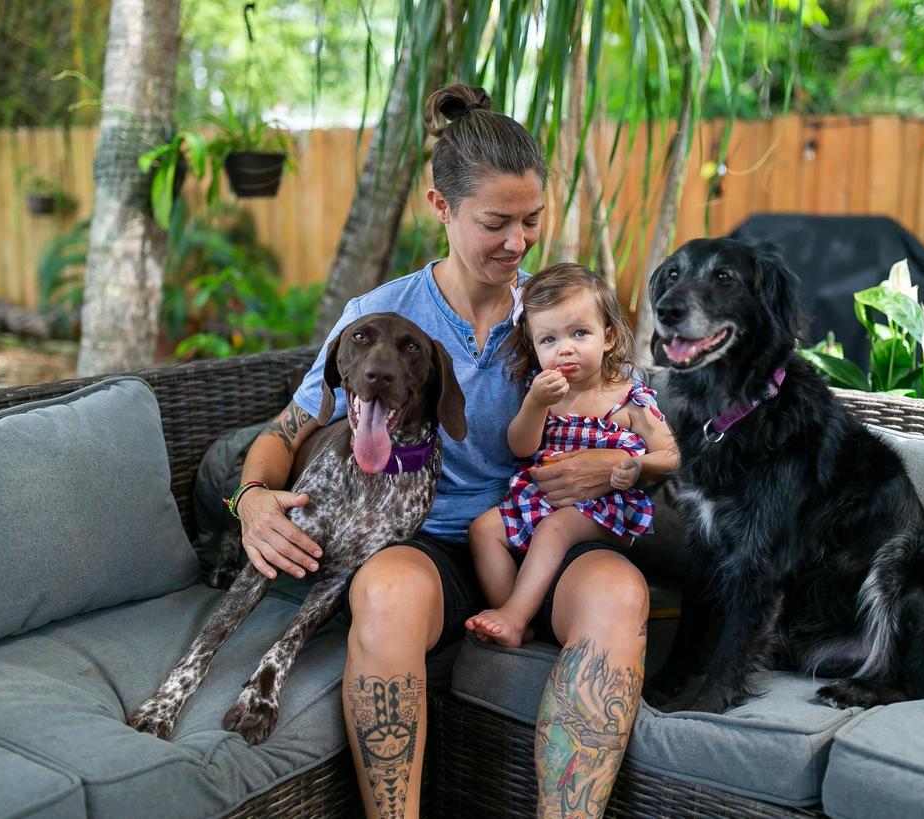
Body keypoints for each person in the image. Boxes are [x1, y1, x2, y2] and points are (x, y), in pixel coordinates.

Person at [231, 83, 669, 818]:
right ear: (441, 207)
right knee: (387, 588)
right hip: (426, 539)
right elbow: (290, 427)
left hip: (542, 534)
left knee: (619, 594)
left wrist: (622, 462)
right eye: (496, 222)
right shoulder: (379, 318)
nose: (519, 242)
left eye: (532, 220)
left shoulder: (554, 315)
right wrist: (250, 497)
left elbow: (626, 403)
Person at [465, 263, 679, 649]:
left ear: (608, 337)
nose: (565, 348)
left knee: (557, 528)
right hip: (543, 500)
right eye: (548, 340)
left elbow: (672, 453)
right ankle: (516, 616)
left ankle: (514, 614)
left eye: (580, 333)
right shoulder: (544, 393)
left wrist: (638, 465)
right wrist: (534, 404)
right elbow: (521, 448)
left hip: (606, 509)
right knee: (484, 530)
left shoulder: (627, 398)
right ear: (534, 346)